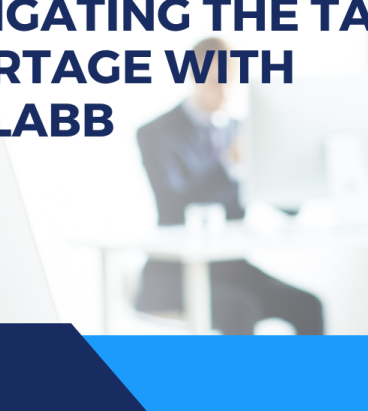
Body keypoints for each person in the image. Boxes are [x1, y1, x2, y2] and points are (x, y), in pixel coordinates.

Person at [136, 37, 324, 335]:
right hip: (173, 275)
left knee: (308, 305)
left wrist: (292, 165)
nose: (223, 89)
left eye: (228, 79)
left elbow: (289, 208)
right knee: (241, 309)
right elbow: (174, 206)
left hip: (229, 269)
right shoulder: (156, 133)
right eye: (213, 80)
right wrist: (227, 163)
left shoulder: (240, 130)